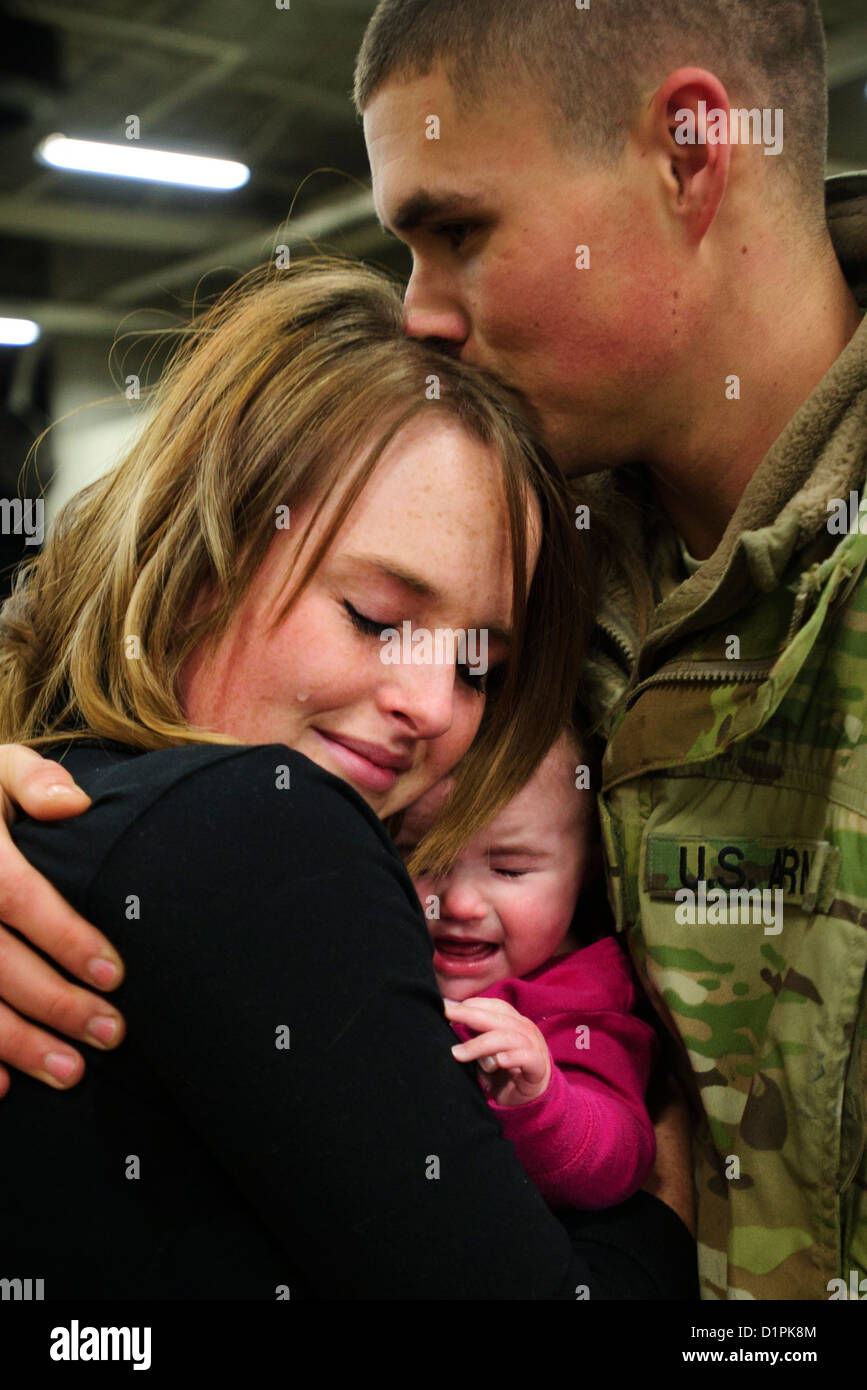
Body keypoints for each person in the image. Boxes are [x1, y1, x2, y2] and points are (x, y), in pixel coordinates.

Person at [3, 0, 860, 1299]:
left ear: (690, 149)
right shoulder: (523, 520)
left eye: (456, 231)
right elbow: (94, 632)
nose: (419, 312)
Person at [0, 257, 698, 1299]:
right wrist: (665, 1217)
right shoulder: (270, 828)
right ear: (197, 560)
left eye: (479, 668)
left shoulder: (55, 808)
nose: (431, 705)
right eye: (374, 616)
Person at [397, 728, 659, 1211]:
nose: (460, 903)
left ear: (591, 867)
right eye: (427, 860)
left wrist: (543, 1101)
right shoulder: (381, 938)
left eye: (511, 870)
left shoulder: (584, 1000)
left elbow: (623, 1155)